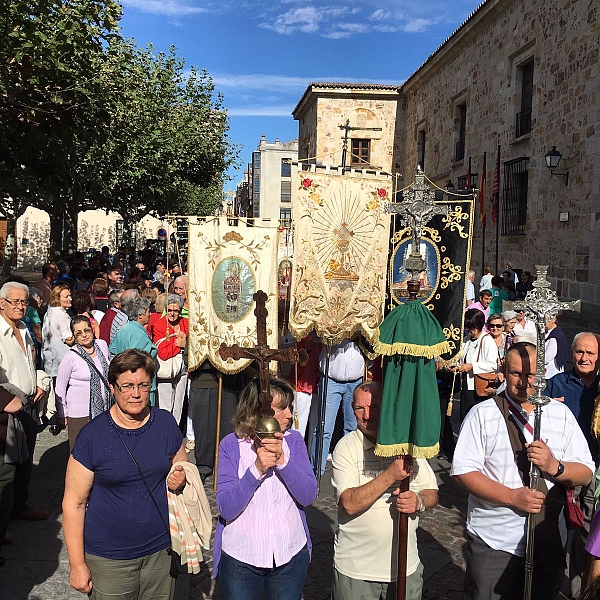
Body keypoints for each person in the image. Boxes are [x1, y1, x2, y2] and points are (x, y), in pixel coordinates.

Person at [452, 342, 594, 600]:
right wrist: (512, 497)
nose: (524, 382)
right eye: (516, 373)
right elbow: (464, 471)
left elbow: (585, 472)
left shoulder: (560, 414)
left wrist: (555, 467)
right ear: (504, 371)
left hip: (548, 537)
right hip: (495, 539)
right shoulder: (481, 414)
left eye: (531, 375)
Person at [62, 349, 188, 599]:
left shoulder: (165, 424)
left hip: (160, 551)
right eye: (127, 386)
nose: (136, 394)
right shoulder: (92, 437)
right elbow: (73, 504)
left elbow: (183, 467)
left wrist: (181, 478)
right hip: (109, 558)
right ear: (112, 388)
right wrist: (77, 565)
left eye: (143, 385)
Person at [331, 382, 438, 600]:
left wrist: (419, 502)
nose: (367, 415)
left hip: (404, 567)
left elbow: (432, 492)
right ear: (352, 410)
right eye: (360, 408)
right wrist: (391, 475)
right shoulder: (346, 447)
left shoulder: (406, 447)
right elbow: (349, 503)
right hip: (356, 571)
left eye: (375, 407)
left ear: (388, 407)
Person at [214, 377, 317, 600]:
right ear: (258, 411)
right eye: (282, 409)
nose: (289, 414)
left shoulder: (295, 441)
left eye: (289, 407)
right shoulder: (231, 445)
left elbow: (308, 495)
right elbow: (226, 507)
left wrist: (283, 462)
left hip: (288, 554)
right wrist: (257, 469)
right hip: (241, 558)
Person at [546, 332, 600, 597]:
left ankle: (580, 592)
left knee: (585, 537)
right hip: (558, 470)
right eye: (580, 352)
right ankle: (550, 587)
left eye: (591, 353)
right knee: (552, 532)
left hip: (591, 474)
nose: (584, 358)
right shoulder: (556, 384)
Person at [0, 282, 47, 530]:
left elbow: (32, 360)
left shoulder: (24, 328)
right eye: (15, 301)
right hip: (8, 408)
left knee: (26, 458)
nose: (20, 306)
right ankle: (4, 519)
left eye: (23, 302)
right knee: (7, 465)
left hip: (29, 402)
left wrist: (39, 380)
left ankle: (19, 506)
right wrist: (8, 402)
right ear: (2, 303)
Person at [55, 316, 111, 450]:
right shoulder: (71, 356)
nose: (84, 335)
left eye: (86, 330)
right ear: (74, 336)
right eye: (79, 333)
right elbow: (60, 387)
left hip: (104, 409)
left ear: (92, 329)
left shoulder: (102, 345)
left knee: (102, 448)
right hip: (80, 413)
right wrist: (62, 414)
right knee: (80, 451)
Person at [310, 338, 365, 475]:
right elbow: (314, 339)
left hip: (355, 381)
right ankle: (316, 472)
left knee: (352, 429)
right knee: (324, 428)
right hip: (331, 380)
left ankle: (349, 470)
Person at [148, 294, 188, 425]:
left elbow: (192, 345)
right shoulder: (160, 325)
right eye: (169, 310)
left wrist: (184, 344)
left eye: (175, 310)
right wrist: (180, 344)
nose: (172, 313)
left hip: (183, 370)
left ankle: (174, 431)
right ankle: (165, 431)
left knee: (179, 406)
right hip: (166, 370)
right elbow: (164, 353)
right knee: (166, 406)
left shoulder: (185, 322)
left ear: (181, 310)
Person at [109, 296, 157, 405]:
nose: (150, 314)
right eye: (148, 311)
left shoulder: (124, 328)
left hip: (124, 381)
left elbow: (113, 349)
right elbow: (136, 362)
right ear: (140, 315)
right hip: (139, 385)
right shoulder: (138, 334)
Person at [454, 309, 498, 420]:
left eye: (470, 327)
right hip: (466, 385)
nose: (467, 330)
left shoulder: (487, 341)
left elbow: (492, 365)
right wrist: (457, 366)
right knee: (464, 416)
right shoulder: (466, 340)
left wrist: (472, 366)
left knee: (475, 417)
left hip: (478, 387)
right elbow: (461, 358)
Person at [41, 283, 75, 380]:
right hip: (62, 360)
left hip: (50, 361)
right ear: (57, 298)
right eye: (66, 296)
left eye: (70, 295)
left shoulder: (49, 312)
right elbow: (69, 339)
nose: (70, 299)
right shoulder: (61, 315)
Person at [544, 314, 568, 381]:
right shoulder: (550, 333)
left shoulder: (555, 336)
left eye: (545, 320)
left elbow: (548, 357)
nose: (543, 323)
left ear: (554, 320)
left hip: (551, 374)